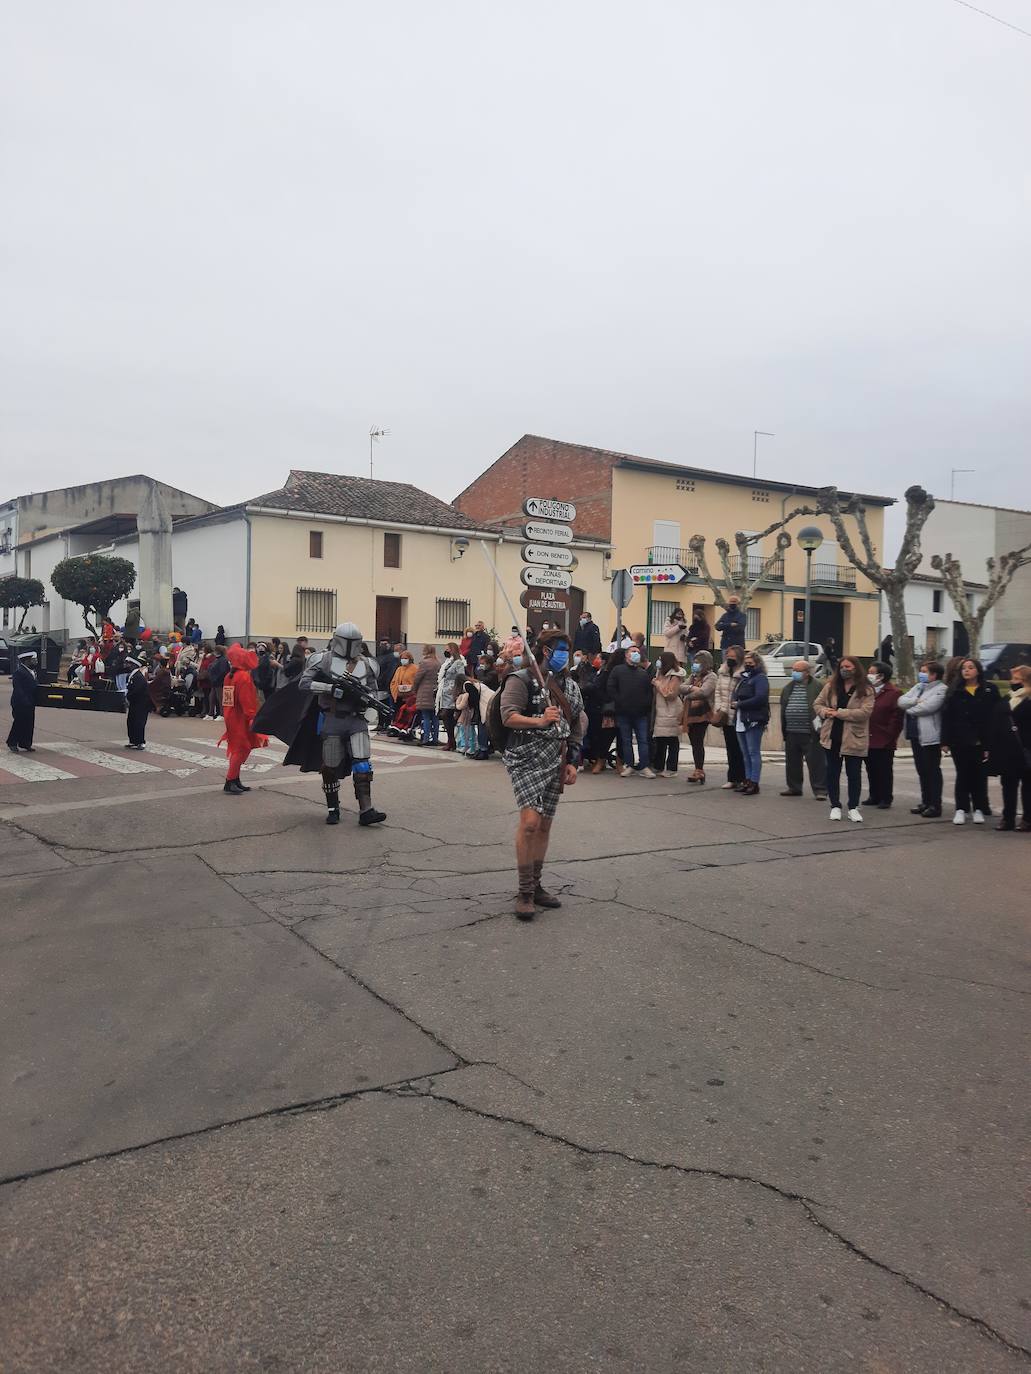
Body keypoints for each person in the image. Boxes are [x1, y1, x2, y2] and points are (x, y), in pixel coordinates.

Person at [255, 621, 387, 826]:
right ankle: (333, 808)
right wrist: (330, 689)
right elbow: (304, 683)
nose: (351, 645)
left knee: (363, 762)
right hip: (332, 717)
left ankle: (366, 809)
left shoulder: (369, 664)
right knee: (330, 766)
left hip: (356, 718)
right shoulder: (322, 660)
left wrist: (365, 698)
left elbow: (373, 689)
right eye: (348, 641)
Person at [499, 629, 583, 920]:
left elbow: (576, 723)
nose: (565, 655)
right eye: (561, 649)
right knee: (531, 823)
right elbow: (508, 716)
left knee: (545, 825)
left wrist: (573, 759)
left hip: (555, 759)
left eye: (567, 651)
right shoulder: (520, 679)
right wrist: (540, 719)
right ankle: (523, 892)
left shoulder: (569, 685)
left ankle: (535, 885)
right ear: (546, 650)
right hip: (525, 757)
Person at [814, 656, 873, 821]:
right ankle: (834, 805)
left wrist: (839, 713)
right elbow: (817, 704)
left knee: (854, 773)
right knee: (832, 773)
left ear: (856, 668)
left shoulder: (865, 689)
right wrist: (825, 712)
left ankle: (853, 807)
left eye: (848, 666)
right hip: (832, 736)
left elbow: (865, 712)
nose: (844, 669)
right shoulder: (831, 686)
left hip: (854, 737)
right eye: (842, 666)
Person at [941, 657, 997, 825]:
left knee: (979, 776)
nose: (967, 670)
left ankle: (979, 808)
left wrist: (991, 743)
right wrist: (944, 741)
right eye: (964, 668)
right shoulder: (954, 691)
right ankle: (961, 809)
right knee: (963, 775)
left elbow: (995, 717)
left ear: (978, 670)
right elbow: (947, 717)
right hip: (960, 740)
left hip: (981, 740)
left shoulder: (989, 689)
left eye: (971, 667)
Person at [218, 644, 269, 794]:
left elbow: (227, 698)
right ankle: (230, 780)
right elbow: (247, 700)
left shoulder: (229, 675)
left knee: (238, 747)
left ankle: (235, 779)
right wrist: (252, 717)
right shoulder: (244, 677)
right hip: (241, 717)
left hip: (231, 715)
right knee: (241, 748)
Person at [898, 661, 947, 818]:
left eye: (925, 671)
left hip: (930, 736)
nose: (922, 674)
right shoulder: (919, 687)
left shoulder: (941, 689)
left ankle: (935, 804)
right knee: (922, 771)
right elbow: (901, 701)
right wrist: (914, 702)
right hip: (914, 734)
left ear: (934, 674)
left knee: (932, 770)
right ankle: (925, 801)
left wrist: (911, 708)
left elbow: (928, 708)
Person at [987, 665, 1031, 831]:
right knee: (1008, 785)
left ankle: (1027, 819)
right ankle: (1008, 818)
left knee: (1028, 786)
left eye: (1017, 679)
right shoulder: (1007, 698)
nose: (1013, 682)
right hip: (1007, 750)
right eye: (1013, 679)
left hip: (1026, 748)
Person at [779, 659, 827, 798]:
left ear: (807, 672)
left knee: (816, 762)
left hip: (810, 732)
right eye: (794, 670)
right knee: (792, 762)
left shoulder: (817, 686)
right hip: (791, 731)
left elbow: (823, 705)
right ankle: (794, 787)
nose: (795, 673)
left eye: (798, 671)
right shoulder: (788, 687)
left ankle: (820, 790)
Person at [609, 641, 655, 777]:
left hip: (640, 713)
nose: (636, 654)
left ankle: (644, 766)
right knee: (626, 740)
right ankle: (629, 764)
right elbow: (611, 687)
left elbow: (649, 692)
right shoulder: (618, 670)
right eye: (633, 652)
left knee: (643, 740)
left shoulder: (643, 673)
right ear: (626, 655)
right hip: (623, 712)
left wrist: (645, 705)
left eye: (638, 652)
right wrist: (619, 701)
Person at [863, 661, 903, 809]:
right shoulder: (867, 690)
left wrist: (890, 735)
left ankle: (885, 797)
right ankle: (874, 795)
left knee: (884, 770)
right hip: (867, 736)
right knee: (871, 768)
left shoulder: (894, 693)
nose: (869, 675)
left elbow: (897, 718)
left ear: (881, 676)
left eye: (872, 672)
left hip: (884, 738)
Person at [731, 651, 769, 795]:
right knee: (745, 753)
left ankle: (754, 782)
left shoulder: (760, 678)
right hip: (741, 719)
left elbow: (760, 698)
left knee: (753, 752)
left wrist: (740, 704)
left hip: (753, 719)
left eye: (750, 663)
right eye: (745, 662)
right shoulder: (744, 678)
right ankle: (747, 780)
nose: (747, 665)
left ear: (757, 663)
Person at [682, 650, 717, 783]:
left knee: (698, 741)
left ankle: (699, 770)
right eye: (694, 662)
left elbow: (704, 692)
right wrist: (692, 687)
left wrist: (690, 692)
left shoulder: (711, 676)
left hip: (703, 712)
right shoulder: (693, 676)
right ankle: (698, 769)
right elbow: (681, 687)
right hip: (690, 712)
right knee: (694, 742)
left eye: (698, 662)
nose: (695, 665)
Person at [650, 651, 687, 777]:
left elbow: (670, 694)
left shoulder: (675, 676)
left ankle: (671, 768)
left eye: (660, 659)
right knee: (660, 740)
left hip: (670, 711)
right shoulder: (661, 673)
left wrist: (658, 684)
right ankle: (658, 766)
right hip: (660, 711)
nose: (658, 662)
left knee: (671, 740)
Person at [713, 648, 745, 790]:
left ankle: (743, 778)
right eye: (728, 656)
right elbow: (718, 692)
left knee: (741, 749)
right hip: (725, 716)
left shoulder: (743, 674)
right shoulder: (722, 672)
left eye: (733, 656)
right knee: (730, 749)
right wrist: (720, 709)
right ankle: (732, 778)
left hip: (739, 716)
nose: (729, 658)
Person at [436, 643, 467, 751]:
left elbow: (460, 676)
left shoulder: (459, 663)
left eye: (448, 649)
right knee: (446, 716)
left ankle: (452, 741)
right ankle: (451, 741)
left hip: (452, 692)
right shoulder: (449, 662)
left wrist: (457, 691)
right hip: (445, 693)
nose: (446, 651)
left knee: (447, 715)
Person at [7, 651, 38, 752]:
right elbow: (18, 689)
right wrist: (25, 700)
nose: (35, 662)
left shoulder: (32, 671)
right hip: (20, 702)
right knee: (19, 723)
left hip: (30, 702)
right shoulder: (19, 672)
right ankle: (12, 742)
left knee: (29, 723)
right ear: (26, 661)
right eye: (33, 660)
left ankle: (25, 743)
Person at [413, 645, 441, 745]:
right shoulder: (438, 662)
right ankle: (435, 738)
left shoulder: (424, 663)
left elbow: (417, 678)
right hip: (435, 692)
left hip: (424, 692)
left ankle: (425, 738)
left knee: (426, 717)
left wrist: (414, 689)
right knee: (435, 717)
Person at [124, 656, 151, 749]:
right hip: (135, 703)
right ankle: (133, 740)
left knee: (139, 722)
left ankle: (140, 741)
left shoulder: (138, 677)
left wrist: (128, 696)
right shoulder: (133, 675)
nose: (127, 665)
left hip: (141, 703)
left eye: (129, 663)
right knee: (131, 721)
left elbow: (136, 690)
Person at [208, 644, 230, 719]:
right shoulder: (217, 659)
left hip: (219, 682)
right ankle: (211, 713)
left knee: (220, 698)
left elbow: (223, 671)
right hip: (214, 682)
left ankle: (222, 714)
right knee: (212, 697)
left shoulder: (223, 660)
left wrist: (216, 678)